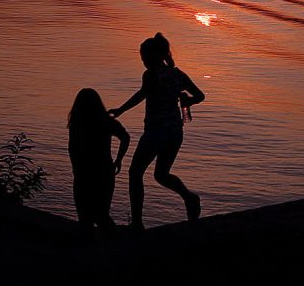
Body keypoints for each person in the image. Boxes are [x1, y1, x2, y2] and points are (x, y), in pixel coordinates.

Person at [109, 33, 206, 230]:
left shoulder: (151, 74)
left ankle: (137, 223)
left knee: (135, 173)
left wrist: (120, 110)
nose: (142, 60)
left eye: (143, 56)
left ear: (151, 57)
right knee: (161, 175)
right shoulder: (178, 74)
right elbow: (200, 96)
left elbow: (141, 95)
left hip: (156, 132)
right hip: (175, 132)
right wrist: (188, 101)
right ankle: (189, 197)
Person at [68, 88, 130, 235]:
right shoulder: (106, 121)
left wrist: (75, 167)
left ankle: (93, 248)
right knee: (102, 214)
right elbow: (125, 137)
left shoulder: (77, 122)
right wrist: (119, 160)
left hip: (83, 172)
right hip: (104, 171)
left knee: (85, 216)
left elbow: (72, 148)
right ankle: (111, 245)